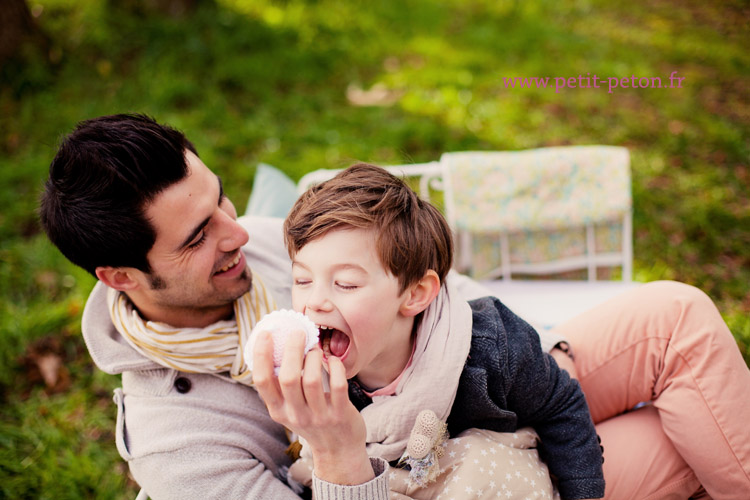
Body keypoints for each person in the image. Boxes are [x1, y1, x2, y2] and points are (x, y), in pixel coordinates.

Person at [39, 114, 750, 499]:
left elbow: (425, 281)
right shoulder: (178, 450)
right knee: (677, 438)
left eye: (222, 197)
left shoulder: (253, 245)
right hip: (457, 481)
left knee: (677, 314)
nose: (238, 234)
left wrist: (522, 361)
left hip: (483, 379)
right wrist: (339, 449)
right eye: (198, 238)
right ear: (121, 276)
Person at [274, 163, 604, 499]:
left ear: (415, 294)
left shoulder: (492, 348)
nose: (314, 301)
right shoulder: (313, 378)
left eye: (345, 283)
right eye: (302, 280)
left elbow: (562, 408)